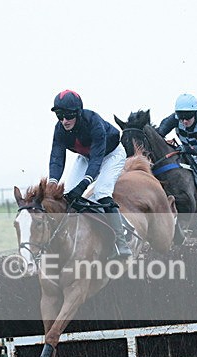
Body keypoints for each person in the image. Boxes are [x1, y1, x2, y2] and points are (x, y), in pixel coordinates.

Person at [48, 89, 132, 259]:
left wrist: (84, 184)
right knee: (67, 196)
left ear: (78, 113)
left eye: (69, 115)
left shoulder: (94, 122)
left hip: (111, 155)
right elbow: (57, 157)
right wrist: (52, 183)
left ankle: (122, 243)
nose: (64, 120)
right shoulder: (60, 129)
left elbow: (97, 160)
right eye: (59, 115)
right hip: (86, 157)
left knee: (101, 192)